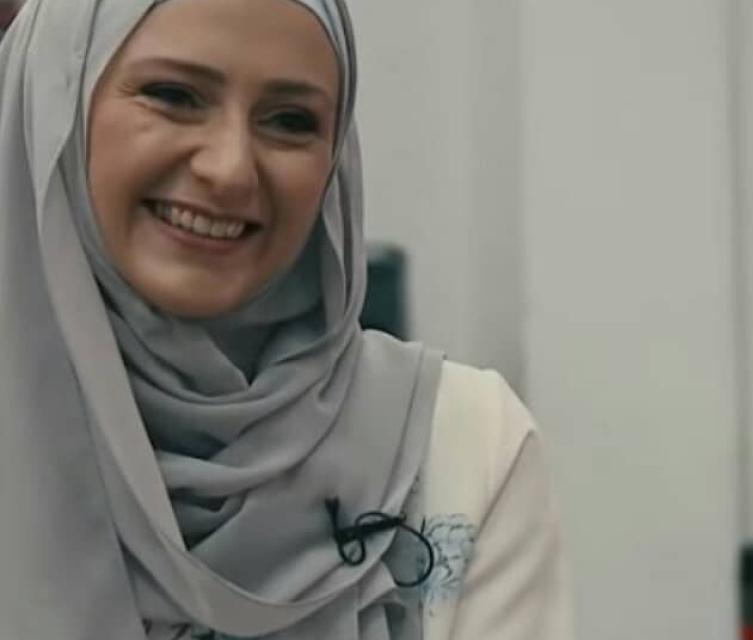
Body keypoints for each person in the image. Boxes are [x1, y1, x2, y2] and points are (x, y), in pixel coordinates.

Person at [0, 0, 572, 638]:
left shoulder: (461, 448)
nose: (229, 169)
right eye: (173, 95)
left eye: (290, 121)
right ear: (54, 104)